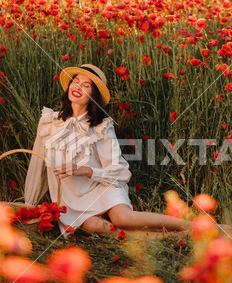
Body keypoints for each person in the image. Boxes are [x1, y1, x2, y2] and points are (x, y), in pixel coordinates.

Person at [24, 64, 190, 239]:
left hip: (103, 186)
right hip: (71, 201)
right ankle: (174, 237)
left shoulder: (101, 127)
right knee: (95, 226)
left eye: (86, 85)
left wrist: (85, 170)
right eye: (76, 81)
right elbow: (37, 166)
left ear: (93, 96)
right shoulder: (49, 122)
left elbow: (120, 171)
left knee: (122, 218)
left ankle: (192, 226)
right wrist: (29, 205)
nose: (78, 87)